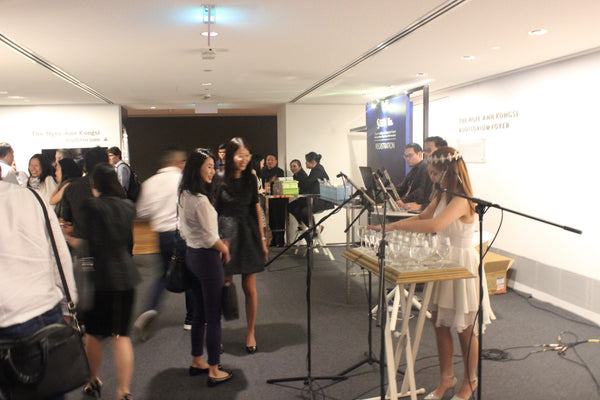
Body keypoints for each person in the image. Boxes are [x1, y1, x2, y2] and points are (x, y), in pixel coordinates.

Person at [368, 146, 495, 400]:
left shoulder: (462, 199)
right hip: (442, 262)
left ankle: (471, 381)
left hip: (461, 265)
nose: (433, 178)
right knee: (439, 323)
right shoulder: (443, 195)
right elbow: (423, 216)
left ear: (451, 171)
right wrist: (389, 227)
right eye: (432, 173)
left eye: (437, 174)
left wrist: (394, 227)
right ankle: (446, 378)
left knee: (465, 328)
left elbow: (434, 225)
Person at [0, 164, 78, 400]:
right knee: (49, 390)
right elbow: (58, 254)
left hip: (11, 315)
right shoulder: (31, 197)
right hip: (42, 311)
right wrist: (69, 303)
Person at [64, 163, 140, 400]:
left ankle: (92, 379)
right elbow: (129, 242)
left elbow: (84, 242)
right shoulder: (128, 206)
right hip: (126, 276)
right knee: (121, 335)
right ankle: (124, 391)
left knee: (94, 335)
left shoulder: (90, 206)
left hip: (99, 279)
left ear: (93, 183)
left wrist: (64, 236)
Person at [178, 148, 233, 386]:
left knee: (199, 314)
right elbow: (212, 238)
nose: (212, 171)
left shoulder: (184, 195)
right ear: (196, 168)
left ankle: (196, 360)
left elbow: (183, 229)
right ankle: (213, 369)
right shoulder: (200, 201)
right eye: (209, 166)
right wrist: (225, 248)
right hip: (207, 259)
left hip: (192, 255)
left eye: (213, 166)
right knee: (213, 316)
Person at [215, 137, 268, 353]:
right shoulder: (218, 178)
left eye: (247, 155)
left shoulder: (250, 178)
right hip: (226, 234)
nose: (244, 159)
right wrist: (216, 241)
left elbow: (256, 207)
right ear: (230, 157)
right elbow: (214, 210)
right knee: (223, 286)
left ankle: (250, 332)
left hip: (248, 234)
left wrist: (263, 239)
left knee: (249, 288)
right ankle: (217, 333)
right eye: (240, 155)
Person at [134, 147, 193, 336]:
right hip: (181, 233)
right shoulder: (183, 180)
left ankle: (150, 308)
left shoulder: (150, 183)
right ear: (178, 162)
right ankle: (191, 319)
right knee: (191, 275)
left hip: (161, 235)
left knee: (162, 274)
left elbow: (142, 212)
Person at [60, 147, 108, 245]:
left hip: (83, 249)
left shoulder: (72, 188)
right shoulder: (116, 188)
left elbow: (66, 220)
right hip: (113, 251)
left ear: (85, 166)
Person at [288, 151, 334, 228]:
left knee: (304, 211)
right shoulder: (315, 169)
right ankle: (308, 226)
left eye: (306, 161)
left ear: (312, 161)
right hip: (315, 198)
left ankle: (315, 228)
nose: (305, 163)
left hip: (322, 200)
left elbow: (307, 183)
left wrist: (295, 184)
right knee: (292, 207)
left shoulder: (318, 169)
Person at [395, 143, 433, 212]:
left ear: (419, 154)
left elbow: (420, 191)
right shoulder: (414, 169)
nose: (407, 158)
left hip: (417, 208)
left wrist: (403, 201)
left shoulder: (424, 167)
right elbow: (401, 187)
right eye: (405, 156)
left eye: (410, 155)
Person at [261, 153, 285, 247]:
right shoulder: (264, 171)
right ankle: (274, 240)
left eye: (271, 160)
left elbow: (279, 185)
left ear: (276, 161)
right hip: (267, 199)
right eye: (268, 160)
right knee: (271, 220)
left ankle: (281, 240)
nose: (269, 162)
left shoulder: (279, 171)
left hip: (278, 199)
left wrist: (271, 183)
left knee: (279, 219)